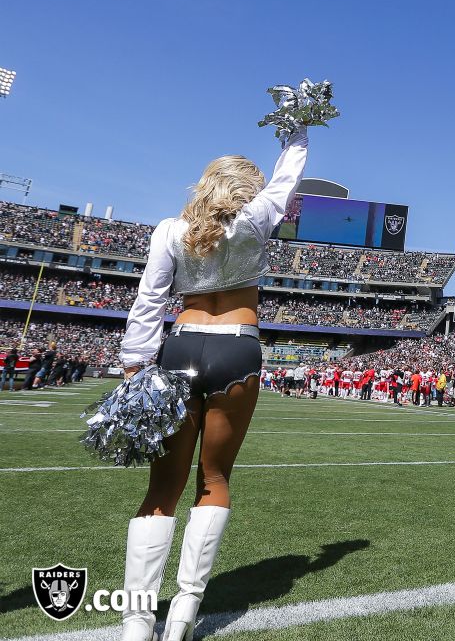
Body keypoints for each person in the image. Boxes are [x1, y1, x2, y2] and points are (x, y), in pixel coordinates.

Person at [115, 127, 312, 640]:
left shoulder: (168, 230)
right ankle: (184, 609)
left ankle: (137, 620)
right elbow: (289, 175)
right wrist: (297, 131)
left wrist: (134, 367)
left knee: (161, 490)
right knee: (215, 480)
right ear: (248, 189)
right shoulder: (257, 218)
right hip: (238, 350)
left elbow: (149, 302)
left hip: (178, 347)